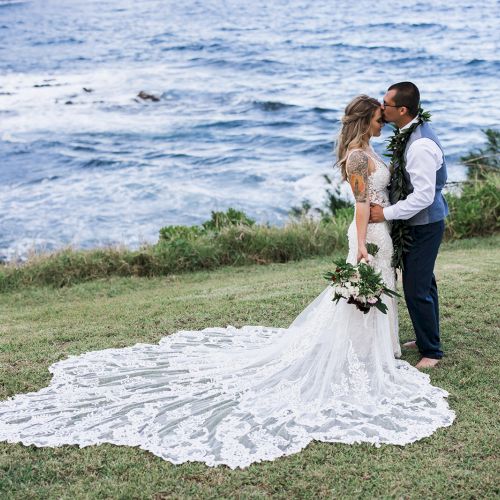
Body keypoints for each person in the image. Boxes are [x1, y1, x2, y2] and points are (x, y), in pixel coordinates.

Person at [0, 96, 454, 470]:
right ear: (366, 119)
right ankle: (361, 350)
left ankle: (378, 346)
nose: (382, 122)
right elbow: (360, 203)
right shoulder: (357, 155)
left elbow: (385, 193)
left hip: (380, 230)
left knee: (373, 291)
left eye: (385, 115)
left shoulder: (373, 151)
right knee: (362, 288)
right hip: (367, 234)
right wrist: (359, 243)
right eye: (378, 117)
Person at [370, 82, 448, 369]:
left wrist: (386, 213)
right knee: (424, 283)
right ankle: (426, 337)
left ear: (402, 110)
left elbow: (424, 197)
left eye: (386, 104)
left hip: (425, 224)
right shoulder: (409, 132)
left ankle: (432, 352)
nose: (381, 108)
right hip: (418, 223)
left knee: (416, 288)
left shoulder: (420, 146)